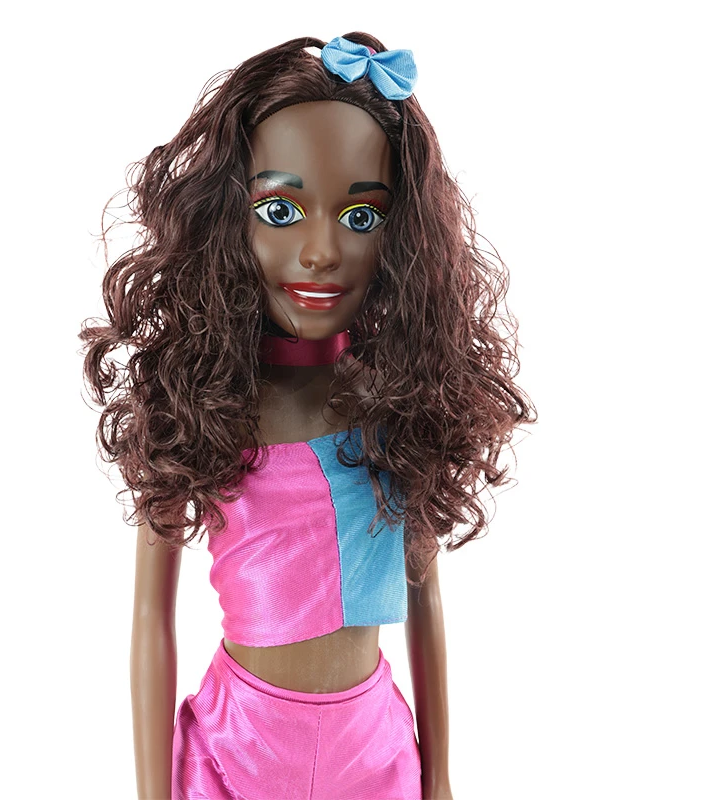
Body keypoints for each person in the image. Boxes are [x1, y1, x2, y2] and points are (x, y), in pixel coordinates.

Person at [80, 32, 536, 800]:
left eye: (360, 217)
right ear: (227, 222)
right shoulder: (203, 410)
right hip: (235, 756)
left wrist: (440, 775)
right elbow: (150, 622)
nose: (320, 251)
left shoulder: (397, 409)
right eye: (281, 209)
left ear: (402, 238)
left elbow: (424, 597)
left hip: (375, 756)